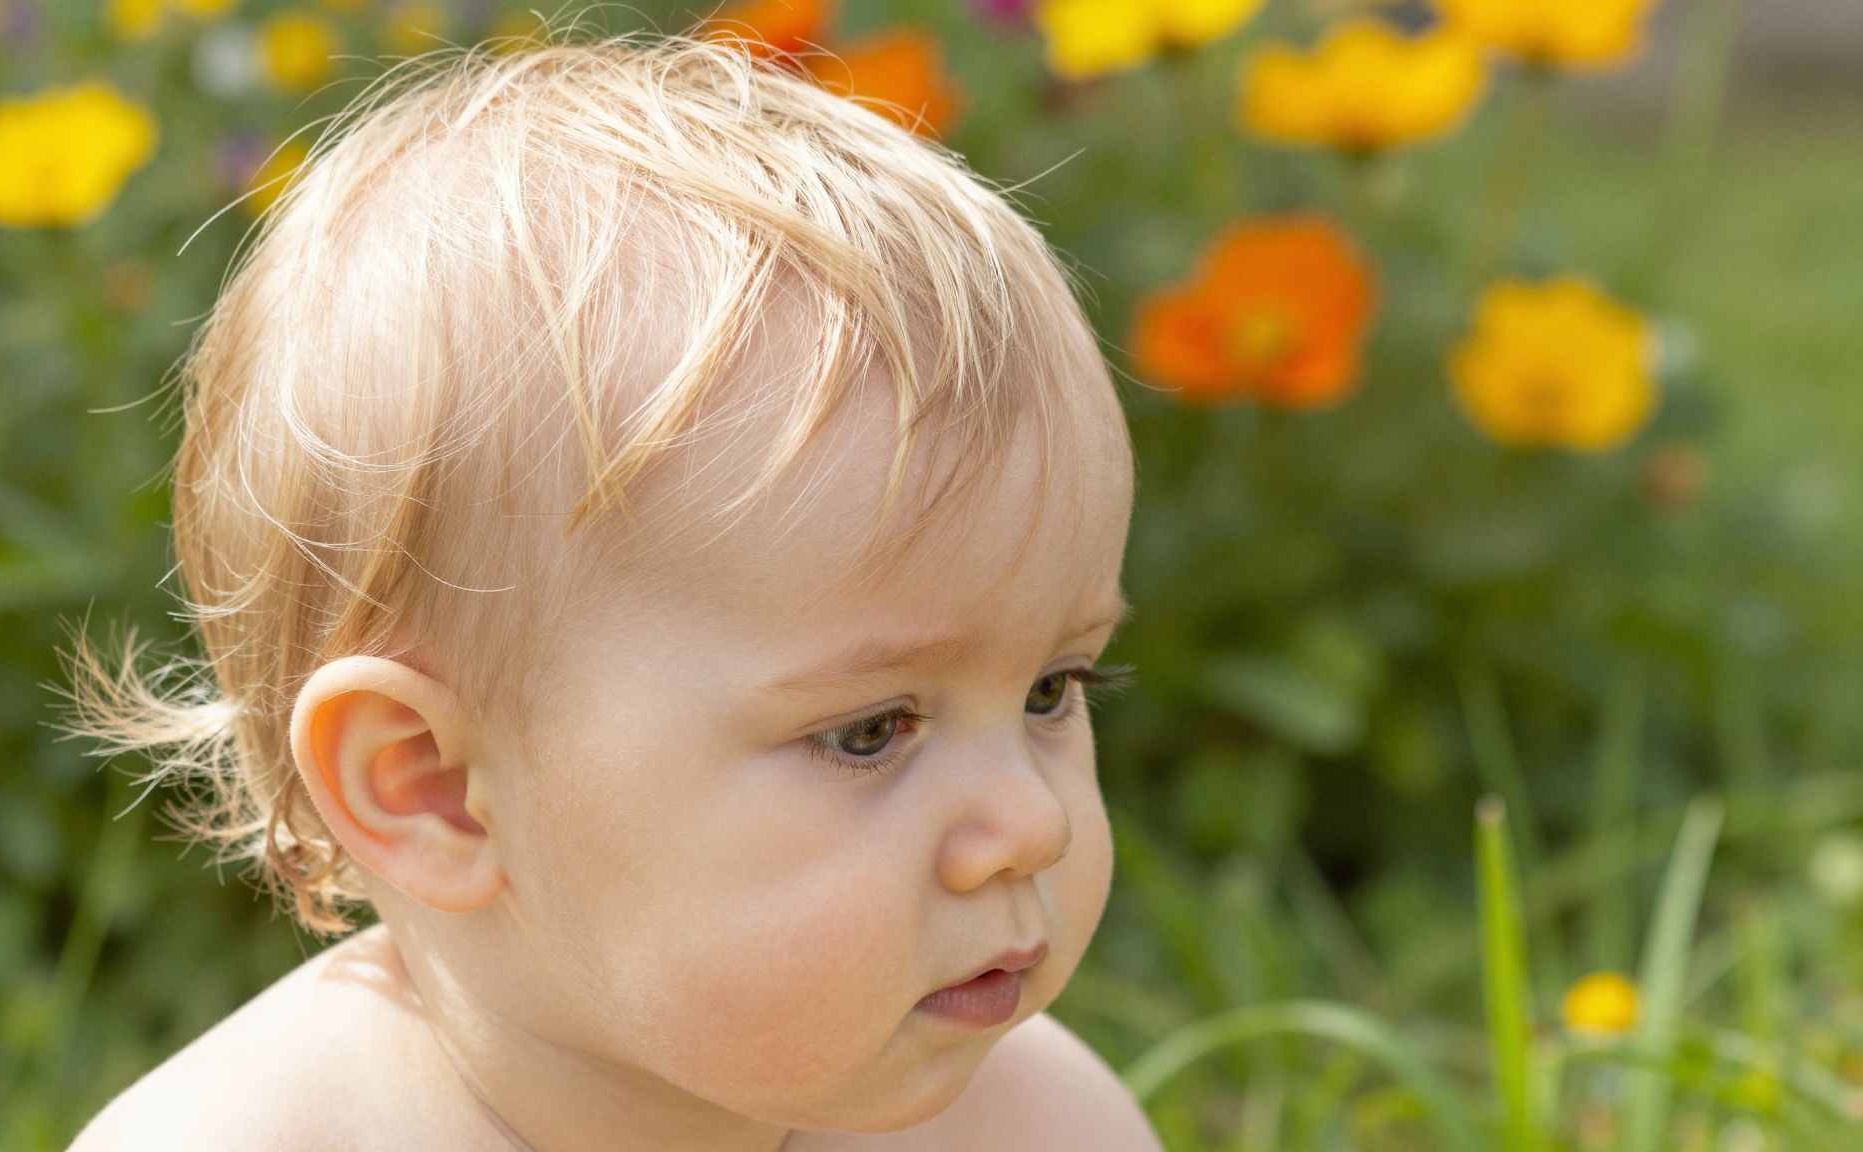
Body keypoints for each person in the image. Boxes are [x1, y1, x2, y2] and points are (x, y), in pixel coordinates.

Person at [57, 18, 1159, 1151]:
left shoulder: (1037, 1126)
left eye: (1049, 690)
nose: (1029, 823)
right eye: (871, 731)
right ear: (429, 783)